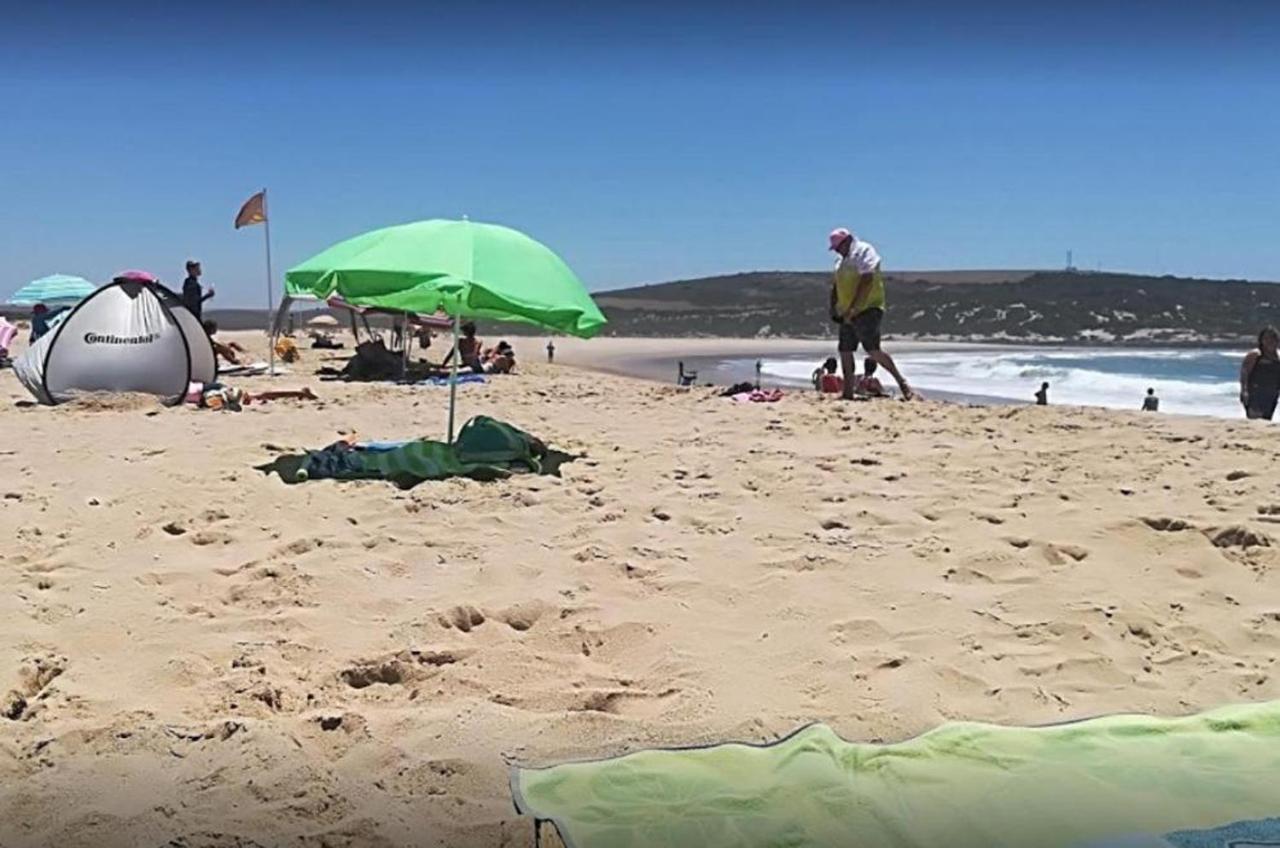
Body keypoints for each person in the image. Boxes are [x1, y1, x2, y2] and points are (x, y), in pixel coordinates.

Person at [828, 228, 914, 401]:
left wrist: (855, 307)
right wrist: (834, 307)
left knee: (872, 349)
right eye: (835, 249)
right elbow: (836, 286)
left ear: (848, 241)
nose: (837, 251)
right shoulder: (840, 262)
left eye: (838, 247)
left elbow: (867, 279)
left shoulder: (864, 251)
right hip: (846, 312)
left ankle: (902, 383)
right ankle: (848, 392)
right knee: (845, 350)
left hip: (868, 307)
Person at [1240, 326, 1280, 421]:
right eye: (1266, 338)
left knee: (1266, 420)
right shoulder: (1255, 355)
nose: (1269, 341)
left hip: (1271, 394)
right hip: (1254, 392)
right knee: (1255, 420)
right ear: (1261, 340)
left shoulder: (1278, 357)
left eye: (1272, 338)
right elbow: (1245, 373)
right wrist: (1244, 391)